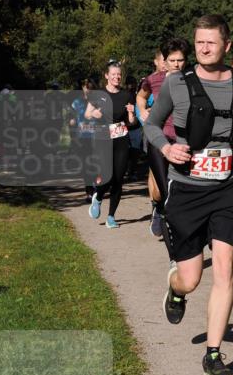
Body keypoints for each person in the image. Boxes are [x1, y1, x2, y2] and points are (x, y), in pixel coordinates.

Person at [143, 15, 233, 375]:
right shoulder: (176, 84)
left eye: (212, 43)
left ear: (227, 46)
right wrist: (167, 148)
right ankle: (175, 288)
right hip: (187, 189)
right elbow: (151, 124)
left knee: (226, 267)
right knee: (192, 278)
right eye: (200, 43)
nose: (204, 49)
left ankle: (213, 355)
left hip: (229, 186)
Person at [137, 40, 190, 237]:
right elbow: (141, 97)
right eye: (172, 60)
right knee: (163, 191)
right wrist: (143, 112)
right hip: (159, 140)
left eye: (180, 60)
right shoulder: (153, 79)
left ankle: (176, 232)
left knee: (177, 189)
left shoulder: (192, 79)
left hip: (183, 142)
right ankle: (159, 209)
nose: (176, 64)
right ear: (164, 61)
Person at [85, 61, 139, 228]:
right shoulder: (97, 94)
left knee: (118, 178)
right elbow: (87, 115)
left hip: (121, 138)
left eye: (119, 74)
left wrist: (131, 113)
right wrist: (95, 113)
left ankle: (111, 217)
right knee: (107, 175)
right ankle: (99, 196)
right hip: (102, 138)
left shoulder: (127, 95)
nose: (117, 76)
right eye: (113, 74)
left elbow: (131, 122)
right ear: (107, 76)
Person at [70, 78, 99, 200]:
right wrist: (72, 122)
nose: (88, 89)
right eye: (86, 87)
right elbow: (72, 119)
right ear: (82, 88)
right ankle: (89, 191)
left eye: (90, 88)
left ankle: (97, 187)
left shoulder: (98, 102)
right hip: (83, 138)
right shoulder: (77, 103)